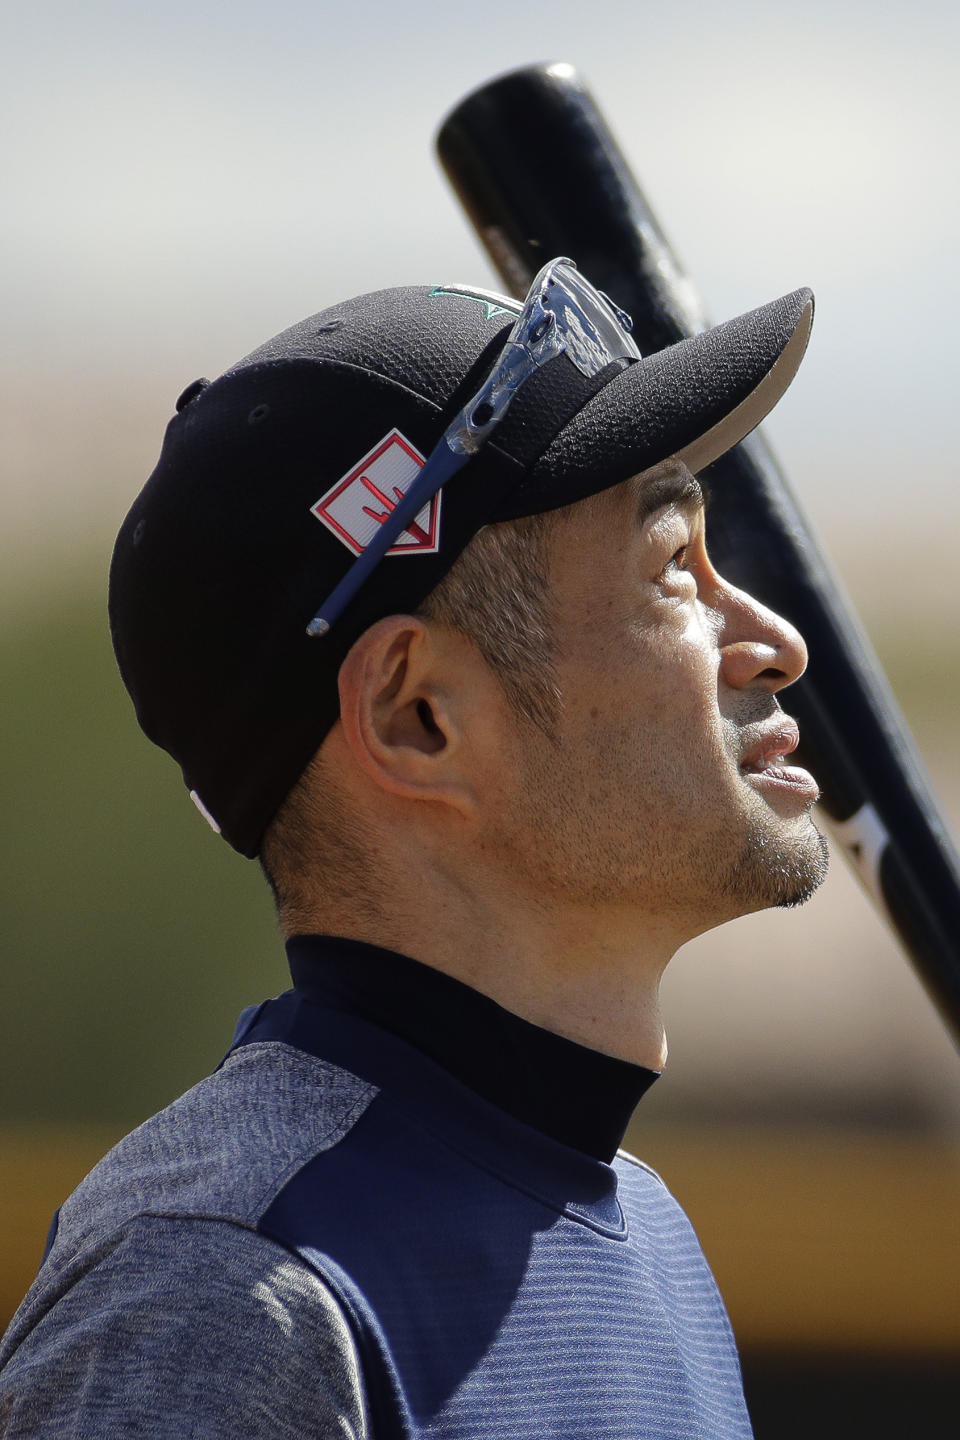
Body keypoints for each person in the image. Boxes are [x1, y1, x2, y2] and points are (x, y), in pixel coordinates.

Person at [0, 259, 827, 1438]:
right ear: (416, 716)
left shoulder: (644, 1235)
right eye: (669, 571)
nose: (775, 641)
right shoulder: (224, 1293)